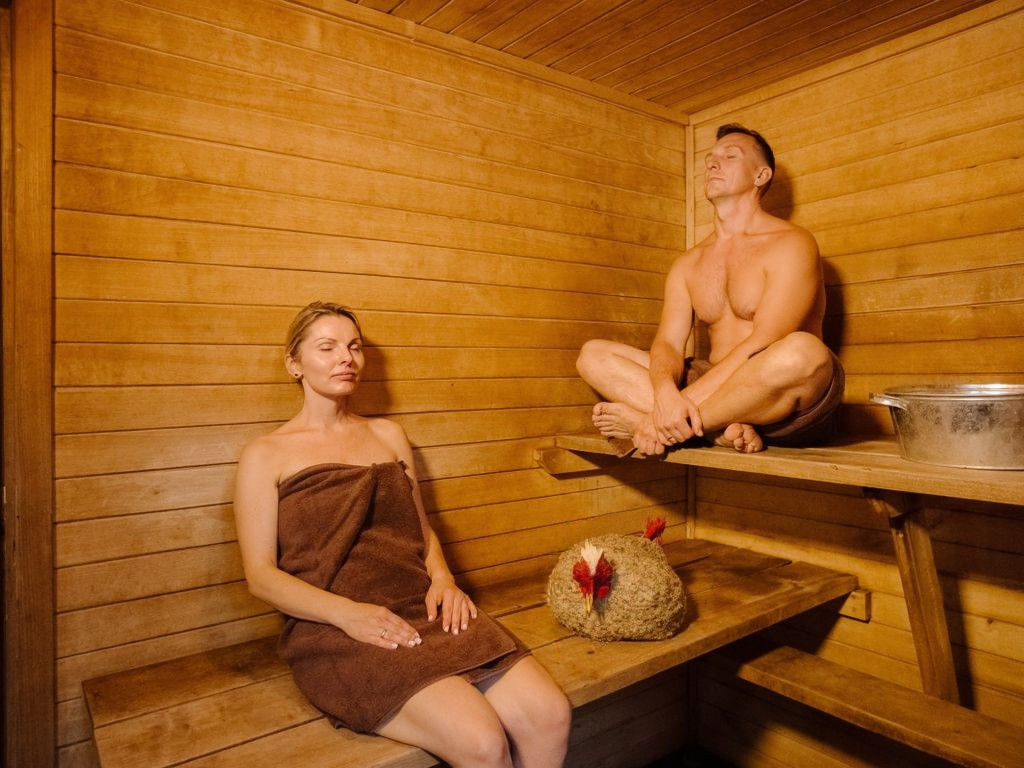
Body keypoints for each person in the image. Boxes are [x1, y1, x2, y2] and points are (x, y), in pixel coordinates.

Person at [234, 301, 571, 768]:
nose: (345, 358)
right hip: (334, 627)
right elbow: (260, 576)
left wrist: (444, 579)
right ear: (294, 364)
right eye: (327, 347)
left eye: (353, 347)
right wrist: (350, 615)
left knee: (550, 715)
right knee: (482, 742)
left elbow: (421, 529)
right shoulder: (265, 455)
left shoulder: (389, 435)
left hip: (421, 605)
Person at [577, 124, 844, 455]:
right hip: (714, 386)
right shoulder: (689, 262)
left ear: (761, 176)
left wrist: (662, 416)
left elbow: (765, 341)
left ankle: (670, 426)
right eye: (710, 159)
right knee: (593, 356)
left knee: (804, 353)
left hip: (781, 397)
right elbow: (668, 344)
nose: (713, 164)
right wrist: (663, 394)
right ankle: (714, 431)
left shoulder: (791, 244)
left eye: (730, 156)